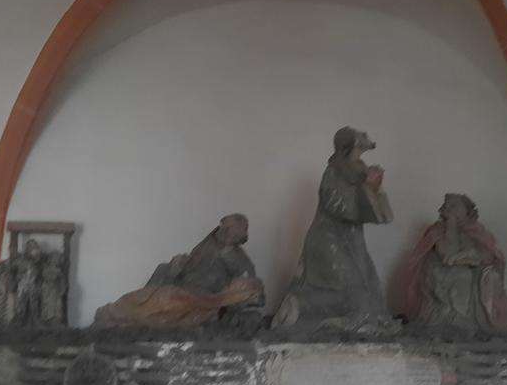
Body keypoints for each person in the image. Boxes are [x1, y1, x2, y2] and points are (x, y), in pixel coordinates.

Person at [273, 126, 393, 330]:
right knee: (354, 289)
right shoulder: (334, 171)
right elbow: (339, 206)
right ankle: (299, 309)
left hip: (352, 241)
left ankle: (307, 308)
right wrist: (367, 187)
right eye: (359, 134)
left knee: (370, 287)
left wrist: (375, 188)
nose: (365, 135)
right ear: (350, 143)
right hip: (327, 239)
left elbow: (381, 214)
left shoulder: (361, 170)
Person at [94, 214, 264, 329]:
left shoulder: (239, 259)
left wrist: (227, 303)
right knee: (152, 288)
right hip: (180, 286)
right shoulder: (208, 244)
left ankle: (120, 316)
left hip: (199, 299)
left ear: (238, 237)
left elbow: (251, 291)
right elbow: (191, 265)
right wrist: (179, 265)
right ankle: (116, 313)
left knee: (165, 299)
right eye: (223, 228)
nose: (223, 233)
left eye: (230, 232)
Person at [401, 194, 507, 333]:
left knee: (489, 276)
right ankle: (456, 318)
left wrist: (473, 259)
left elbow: (488, 254)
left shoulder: (476, 230)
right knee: (462, 276)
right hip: (441, 268)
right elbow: (445, 254)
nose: (450, 209)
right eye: (448, 206)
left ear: (466, 211)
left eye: (454, 206)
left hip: (470, 267)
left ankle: (481, 319)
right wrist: (451, 227)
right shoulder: (437, 230)